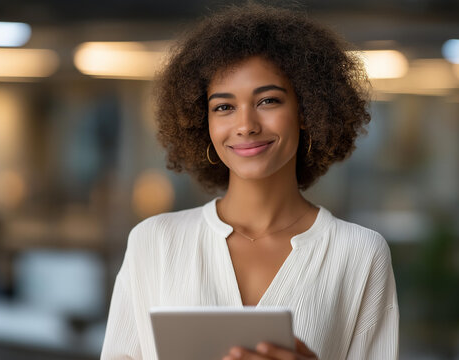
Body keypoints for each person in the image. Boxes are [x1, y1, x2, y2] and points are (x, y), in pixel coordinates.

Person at [101, 3, 399, 359]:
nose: (246, 125)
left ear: (306, 112)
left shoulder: (360, 254)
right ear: (203, 122)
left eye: (268, 100)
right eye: (224, 107)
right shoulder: (154, 243)